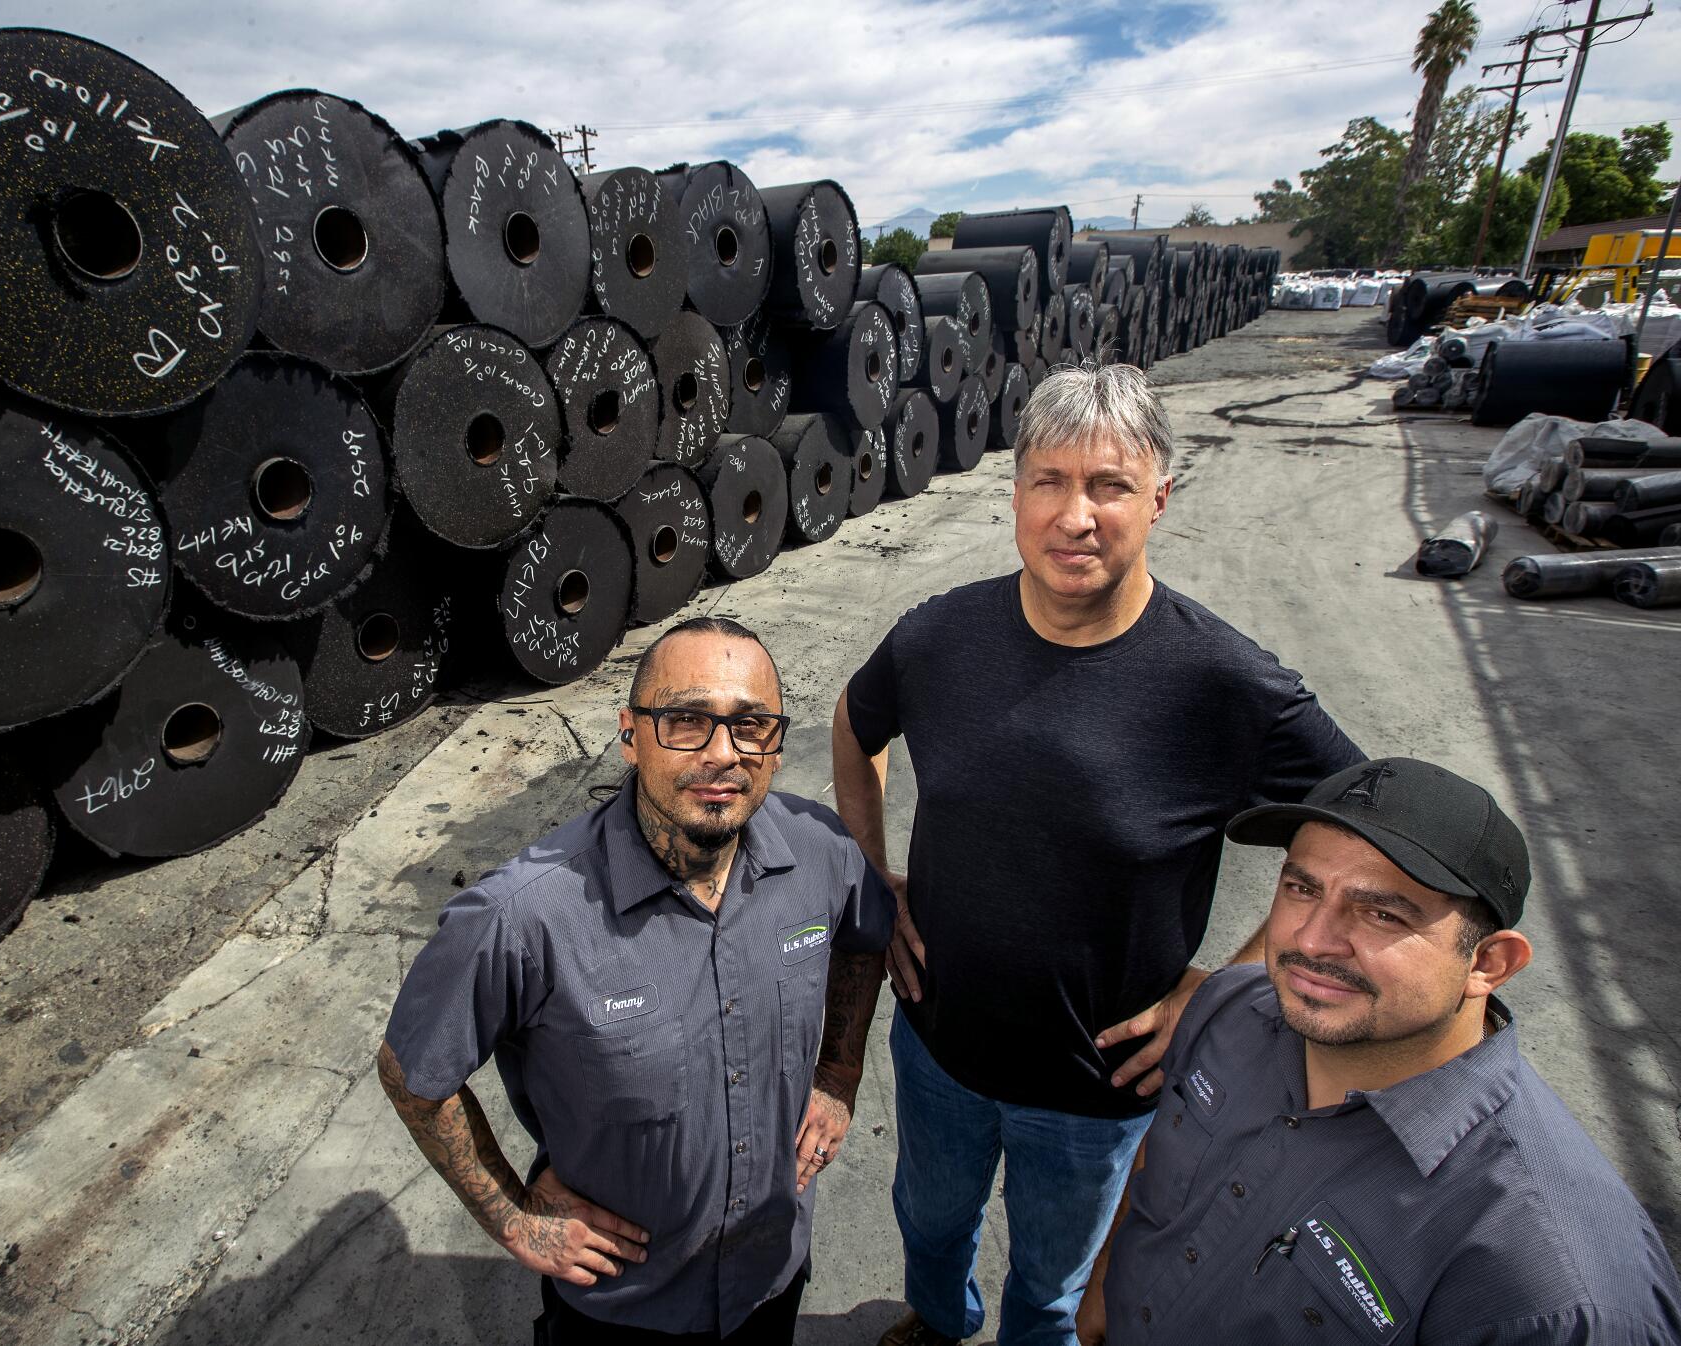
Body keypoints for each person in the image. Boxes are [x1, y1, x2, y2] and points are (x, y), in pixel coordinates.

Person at [832, 360, 1365, 1346]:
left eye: (1108, 484)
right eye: (1048, 480)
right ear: (1014, 495)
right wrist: (871, 872)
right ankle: (939, 1319)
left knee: (1055, 1281)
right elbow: (852, 722)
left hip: (1094, 1091)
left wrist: (1234, 981)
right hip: (937, 1047)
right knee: (930, 1224)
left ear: (1158, 497)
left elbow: (1369, 835)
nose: (1074, 513)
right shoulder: (938, 638)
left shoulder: (1223, 682)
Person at [379, 616, 894, 1344]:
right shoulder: (525, 915)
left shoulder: (821, 853)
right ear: (630, 733)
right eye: (686, 721)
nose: (724, 754)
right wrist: (513, 1213)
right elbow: (412, 1072)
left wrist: (839, 1073)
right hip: (622, 1312)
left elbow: (866, 937)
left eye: (752, 726)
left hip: (771, 1279)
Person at [1078, 756, 1681, 1344]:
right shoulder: (1233, 1008)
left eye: (1382, 913)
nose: (1313, 939)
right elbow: (1161, 1168)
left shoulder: (1555, 1289)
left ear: (1488, 963)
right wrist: (1104, 1286)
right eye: (1301, 887)